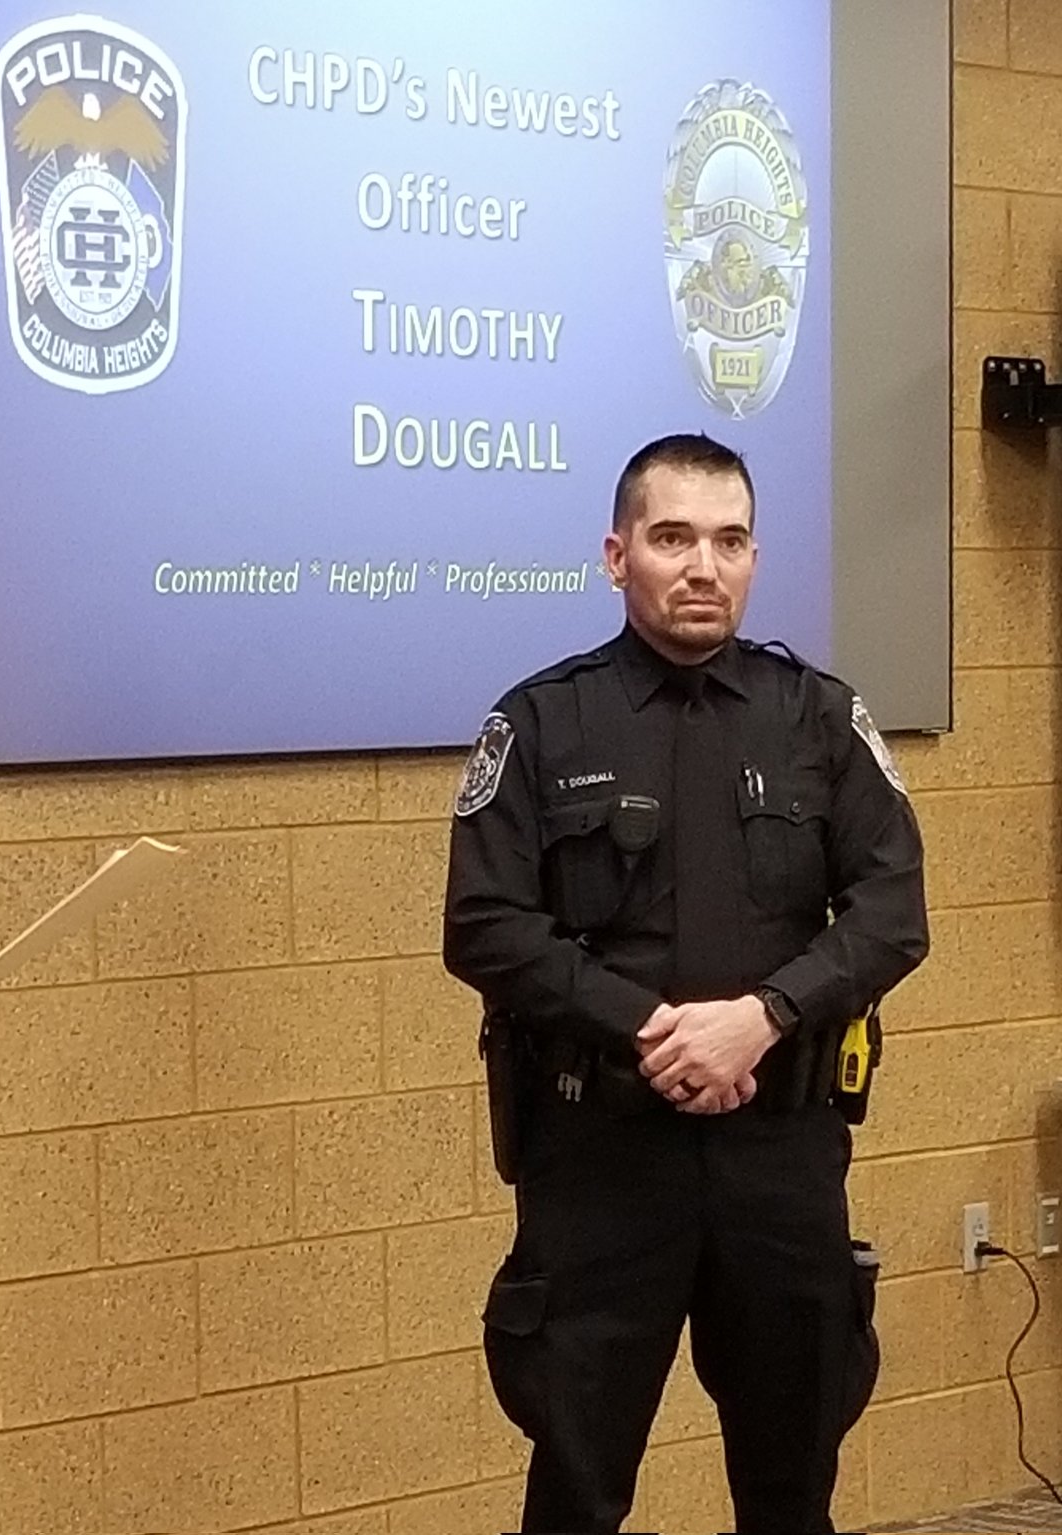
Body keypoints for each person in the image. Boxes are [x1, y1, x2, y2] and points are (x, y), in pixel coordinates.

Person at [444, 433, 928, 1534]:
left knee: (792, 1480)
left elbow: (891, 913)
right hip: (601, 1161)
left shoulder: (817, 717)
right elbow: (483, 925)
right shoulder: (540, 723)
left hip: (779, 1158)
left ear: (753, 556)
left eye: (728, 540)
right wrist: (649, 1028)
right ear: (617, 556)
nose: (702, 566)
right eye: (671, 538)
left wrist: (763, 1018)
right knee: (576, 1486)